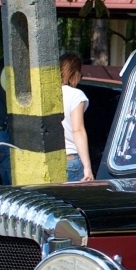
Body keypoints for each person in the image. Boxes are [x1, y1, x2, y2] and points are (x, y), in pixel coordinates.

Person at [59, 52, 93, 182]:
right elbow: (77, 130)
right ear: (74, 73)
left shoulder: (46, 94)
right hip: (70, 159)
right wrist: (87, 167)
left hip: (49, 159)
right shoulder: (76, 95)